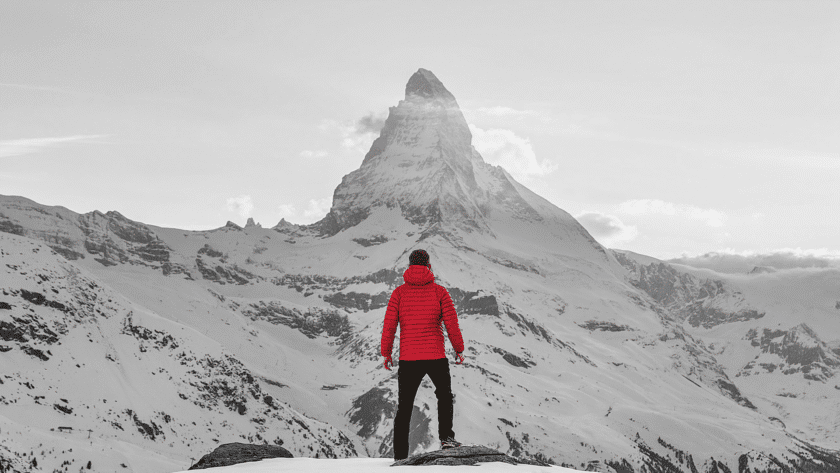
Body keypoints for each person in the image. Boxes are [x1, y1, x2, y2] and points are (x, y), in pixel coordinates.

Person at [381, 249, 466, 461]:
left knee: (404, 406)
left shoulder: (399, 293)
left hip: (408, 358)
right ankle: (447, 438)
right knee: (444, 396)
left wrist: (386, 353)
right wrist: (458, 349)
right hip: (436, 355)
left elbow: (389, 325)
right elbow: (452, 324)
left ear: (410, 266)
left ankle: (400, 456)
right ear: (428, 265)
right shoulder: (440, 292)